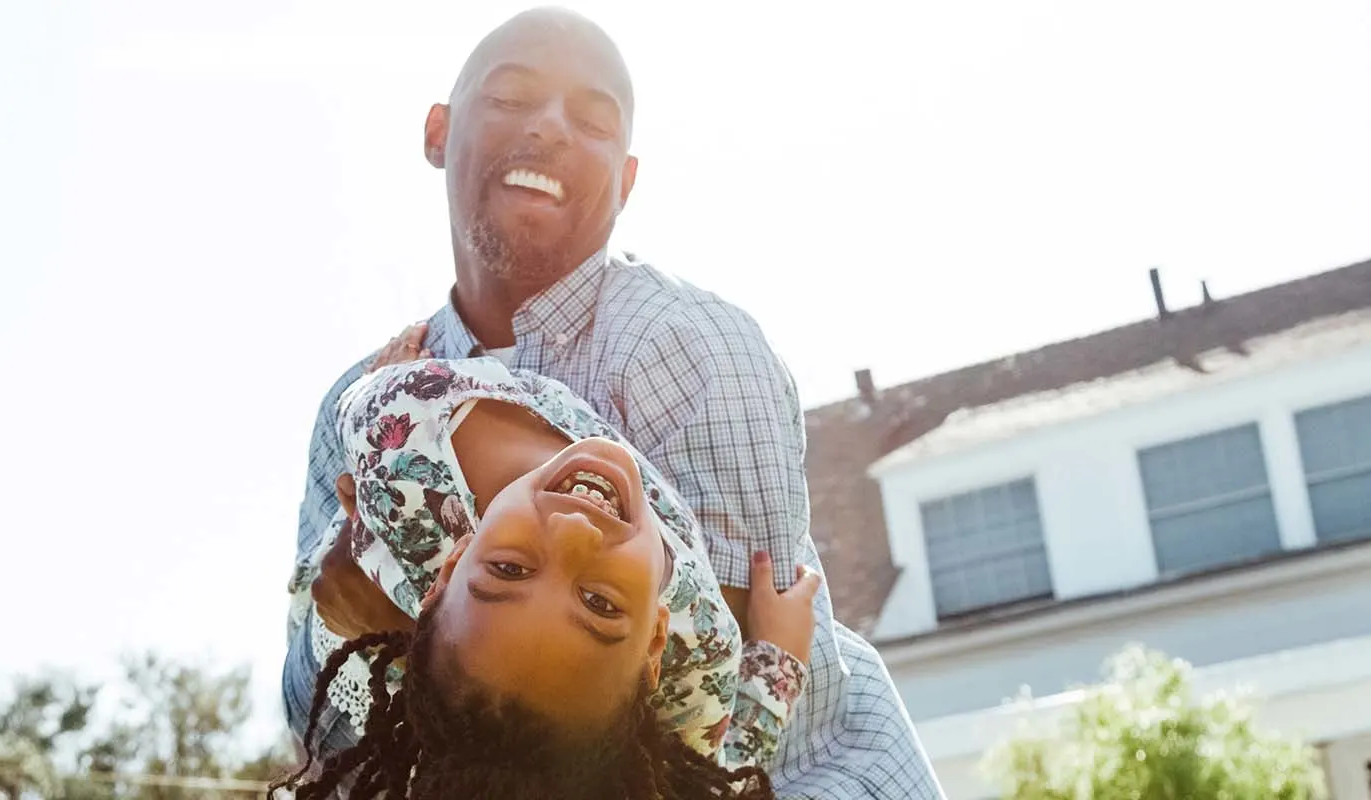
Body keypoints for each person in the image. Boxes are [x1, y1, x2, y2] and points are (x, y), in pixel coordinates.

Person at [287, 7, 943, 797]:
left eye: (592, 118)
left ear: (627, 180)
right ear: (438, 131)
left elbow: (705, 718)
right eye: (510, 99)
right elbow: (320, 709)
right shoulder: (355, 406)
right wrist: (366, 611)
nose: (552, 129)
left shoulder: (689, 348)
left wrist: (386, 608)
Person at [277, 356, 810, 798]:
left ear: (450, 568)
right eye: (599, 604)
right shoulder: (701, 657)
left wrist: (372, 483)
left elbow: (366, 418)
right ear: (654, 645)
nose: (575, 530)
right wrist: (778, 664)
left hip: (346, 678)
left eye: (510, 570)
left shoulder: (403, 431)